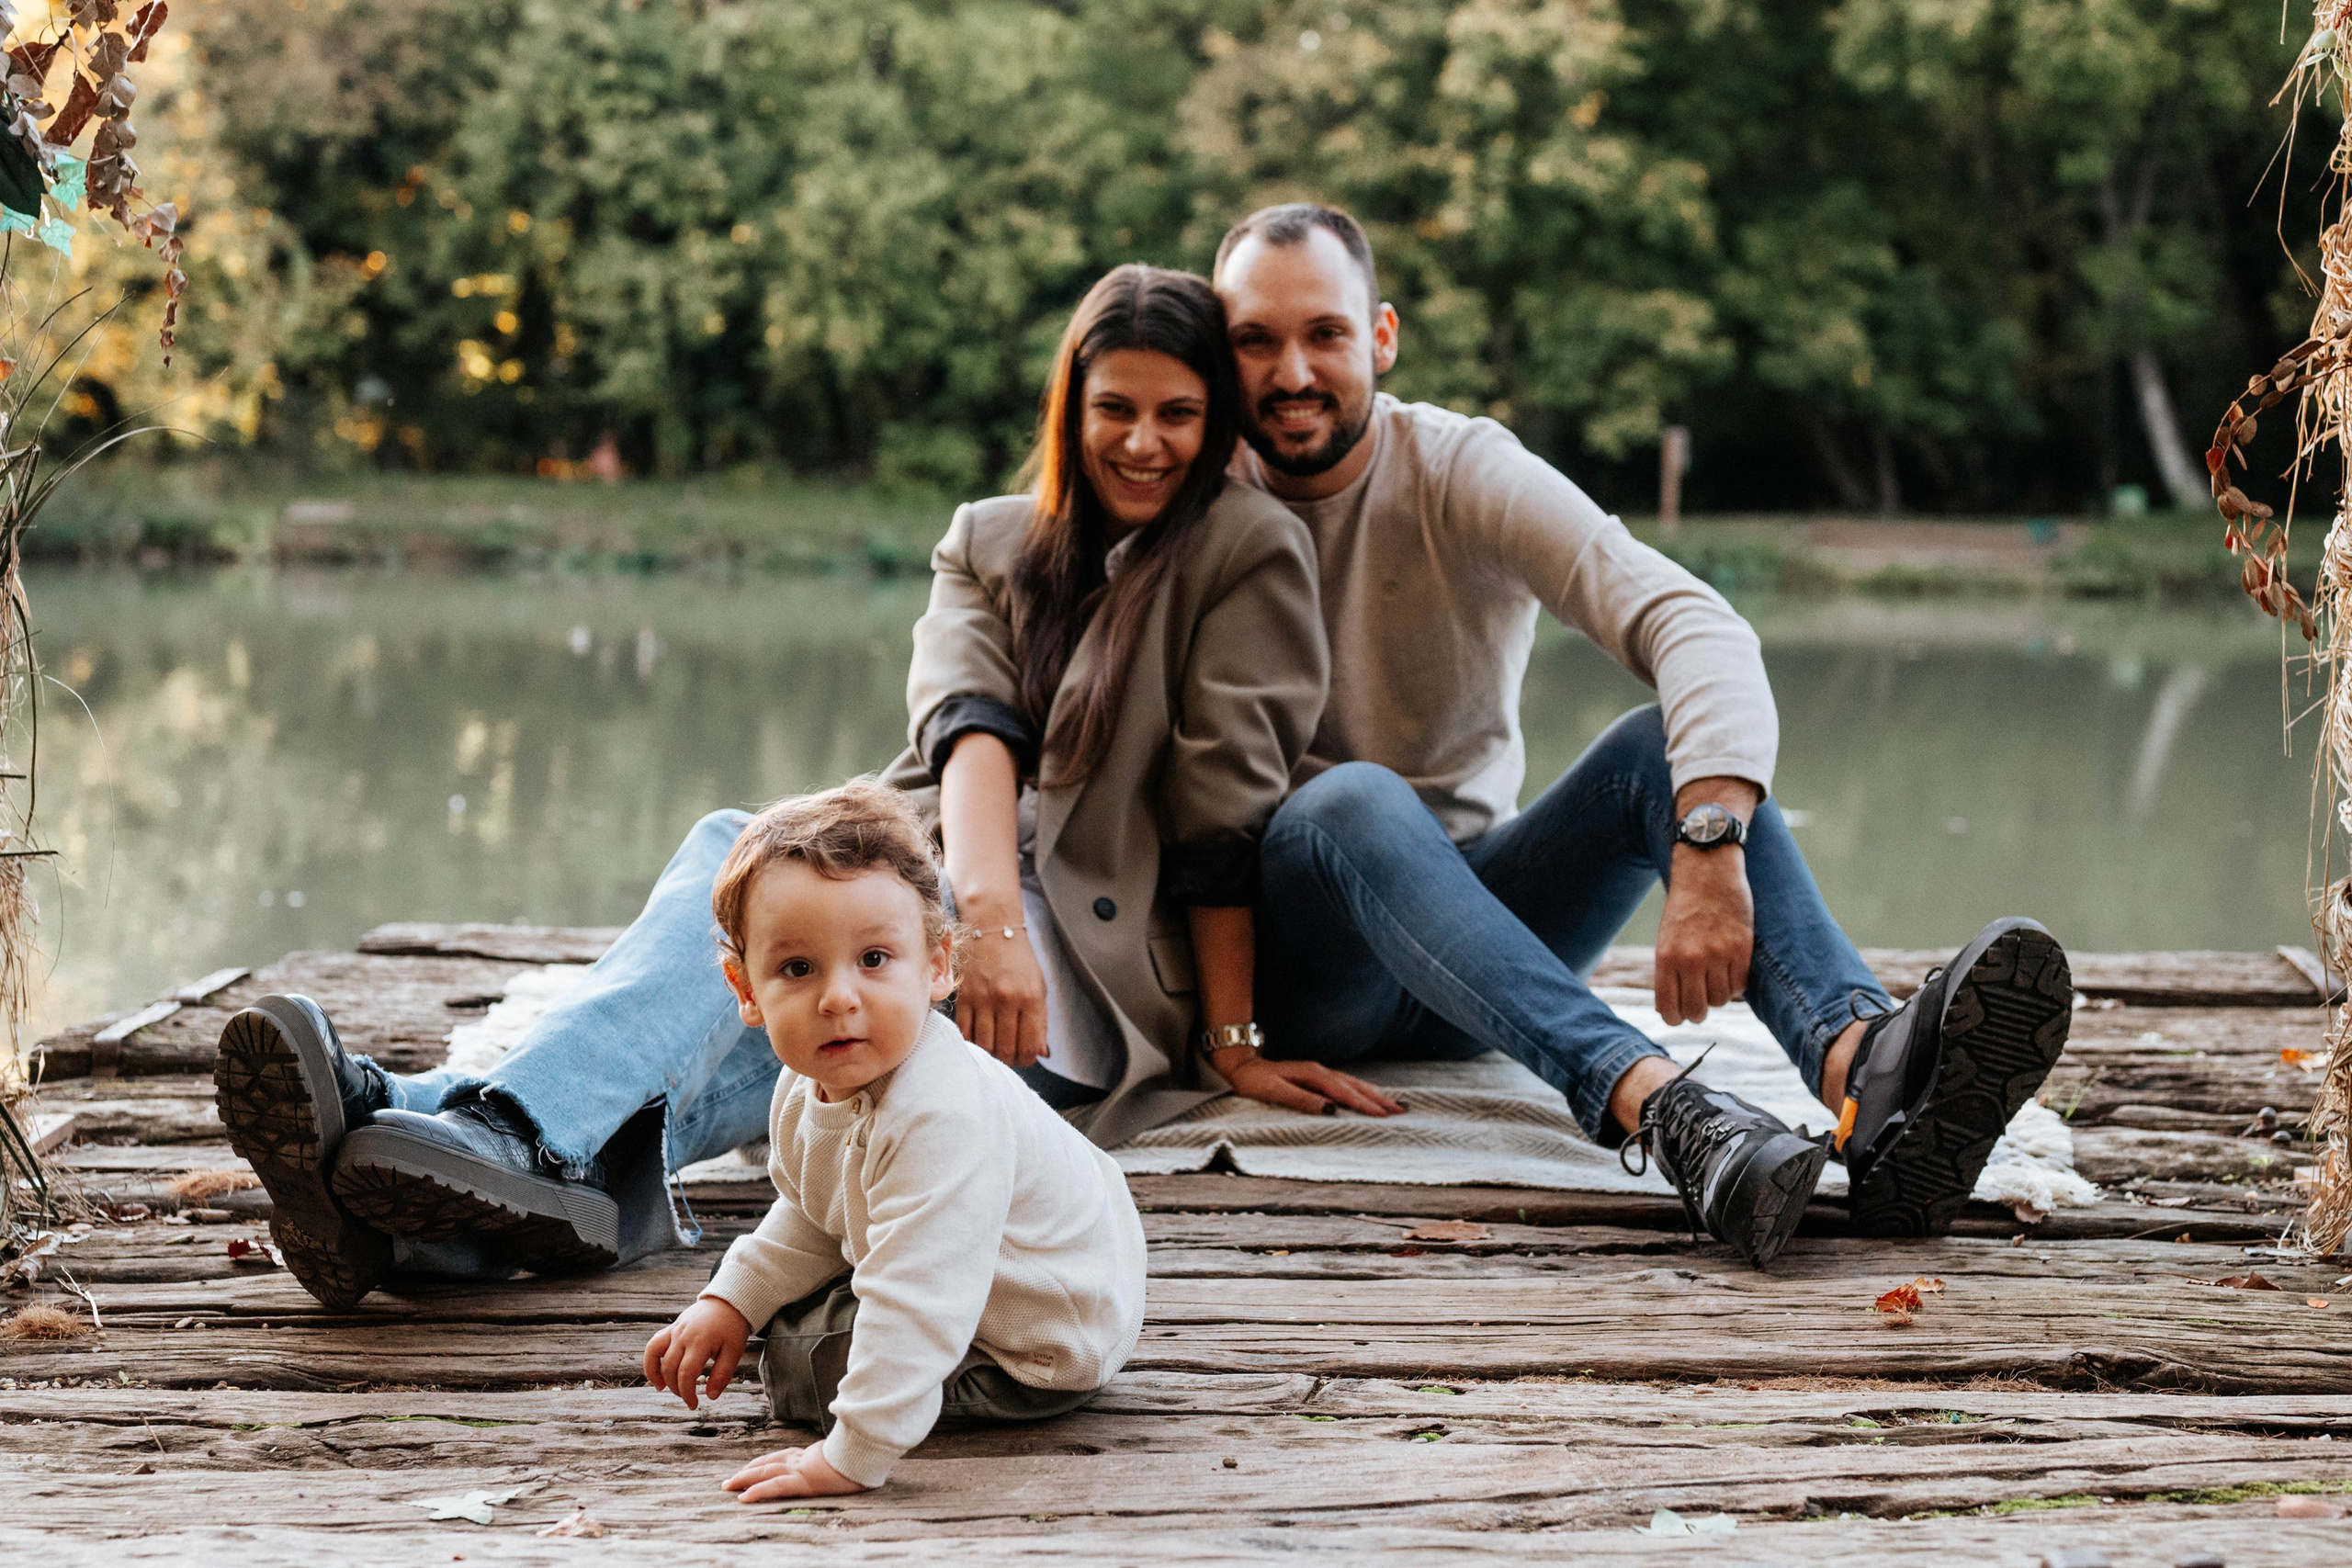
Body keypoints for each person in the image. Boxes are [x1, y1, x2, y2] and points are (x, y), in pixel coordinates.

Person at [213, 263, 1366, 1308]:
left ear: (1213, 422)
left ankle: (410, 1119)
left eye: (1178, 413)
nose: (1144, 442)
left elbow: (1224, 819)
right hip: (927, 899)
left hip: (1079, 978)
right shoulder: (991, 539)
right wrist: (976, 906)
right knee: (774, 978)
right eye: (1115, 408)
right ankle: (436, 1204)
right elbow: (973, 730)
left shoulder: (1247, 548)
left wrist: (1226, 1034)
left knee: (759, 924)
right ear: (1072, 410)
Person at [1206, 203, 2075, 1264]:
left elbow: (1690, 620)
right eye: (1256, 339)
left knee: (1650, 750)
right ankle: (1666, 1109)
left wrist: (1707, 840)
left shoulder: (1459, 469)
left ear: (1380, 337)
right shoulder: (1192, 502)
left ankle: (1867, 1075)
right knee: (1352, 797)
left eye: (1324, 334)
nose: (1291, 369)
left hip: (1477, 946)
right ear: (1221, 350)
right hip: (1310, 969)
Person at [641, 782, 1145, 1501]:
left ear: (938, 964)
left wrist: (848, 1456)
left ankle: (880, 1409)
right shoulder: (805, 1083)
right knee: (781, 1318)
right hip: (976, 1265)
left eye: (874, 959)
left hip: (1044, 1338)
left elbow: (917, 1300)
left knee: (796, 1362)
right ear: (744, 988)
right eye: (797, 968)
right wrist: (733, 1296)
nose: (838, 997)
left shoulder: (939, 1113)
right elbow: (815, 1209)